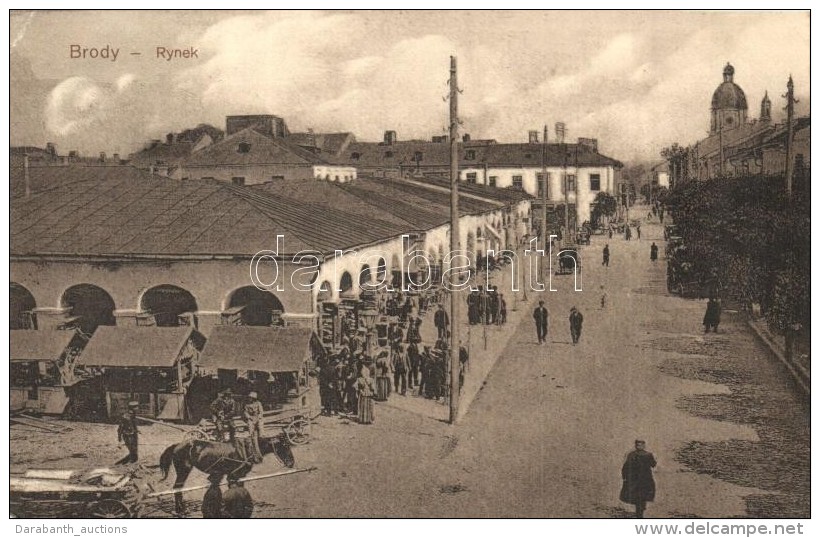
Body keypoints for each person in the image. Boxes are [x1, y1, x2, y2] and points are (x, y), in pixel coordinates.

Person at [620, 440, 657, 518]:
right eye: (638, 445)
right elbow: (653, 464)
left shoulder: (631, 454)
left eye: (639, 445)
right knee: (643, 496)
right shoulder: (648, 455)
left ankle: (640, 511)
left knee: (637, 496)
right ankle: (640, 511)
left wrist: (625, 477)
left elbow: (625, 467)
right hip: (645, 479)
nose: (639, 446)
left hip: (635, 480)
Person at [115, 401, 140, 465]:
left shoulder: (133, 415)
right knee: (132, 449)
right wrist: (119, 440)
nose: (137, 408)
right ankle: (128, 463)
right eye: (136, 407)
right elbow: (120, 428)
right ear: (132, 408)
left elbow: (134, 425)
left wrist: (136, 430)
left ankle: (133, 461)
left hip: (134, 435)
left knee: (135, 450)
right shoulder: (125, 417)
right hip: (128, 435)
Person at [243, 392, 264, 463]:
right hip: (251, 417)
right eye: (249, 398)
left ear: (254, 398)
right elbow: (245, 412)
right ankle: (251, 433)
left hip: (257, 416)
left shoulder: (258, 403)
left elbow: (261, 411)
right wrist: (249, 417)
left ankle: (261, 434)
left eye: (251, 398)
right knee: (249, 424)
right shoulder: (247, 405)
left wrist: (259, 416)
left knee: (260, 423)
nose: (250, 399)